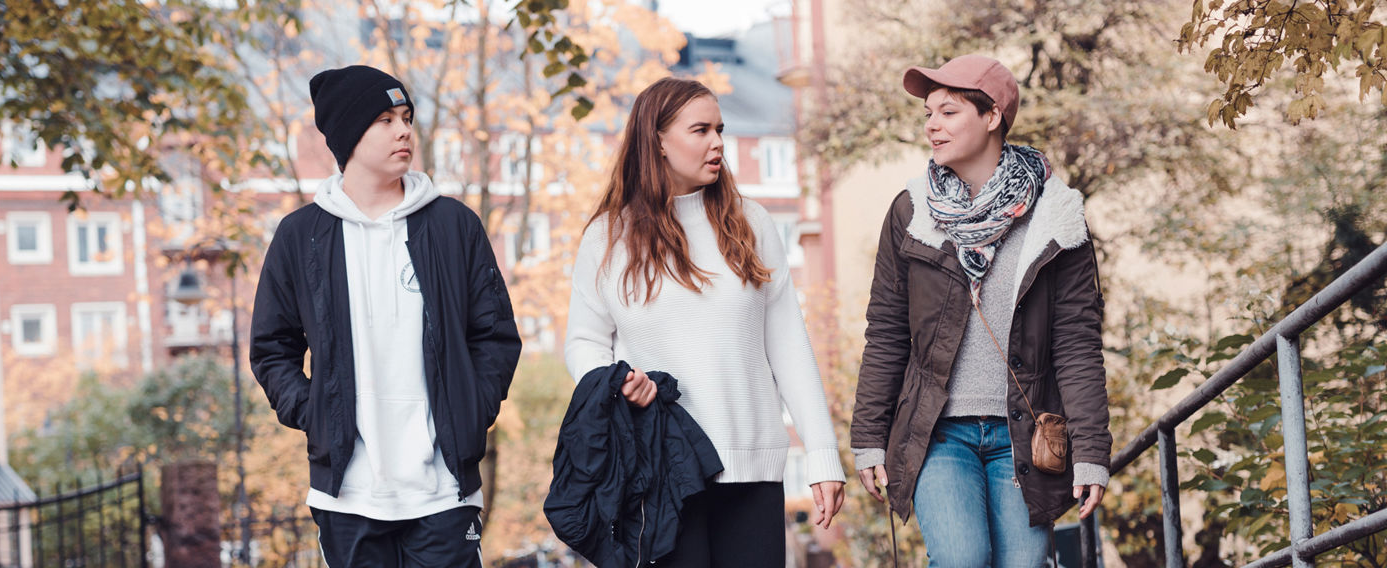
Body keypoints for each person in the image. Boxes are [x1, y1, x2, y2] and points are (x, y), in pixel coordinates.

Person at [563, 76, 846, 567]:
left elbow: (789, 349)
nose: (718, 143)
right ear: (658, 140)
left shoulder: (750, 222)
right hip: (661, 472)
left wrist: (822, 455)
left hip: (752, 469)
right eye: (700, 130)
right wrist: (616, 381)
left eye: (720, 129)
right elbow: (584, 341)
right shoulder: (609, 237)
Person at [249, 64, 521, 568]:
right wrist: (314, 415)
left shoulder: (453, 225)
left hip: (442, 491)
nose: (403, 131)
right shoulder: (301, 236)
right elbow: (272, 348)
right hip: (348, 495)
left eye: (407, 117)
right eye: (385, 119)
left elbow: (496, 337)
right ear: (349, 134)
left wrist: (471, 410)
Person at [848, 54, 1112, 567]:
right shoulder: (912, 212)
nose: (931, 125)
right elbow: (885, 332)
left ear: (992, 116)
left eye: (948, 112)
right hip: (937, 431)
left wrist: (1092, 453)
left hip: (1025, 434)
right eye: (928, 113)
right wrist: (868, 439)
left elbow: (1077, 343)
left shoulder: (1057, 217)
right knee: (962, 559)